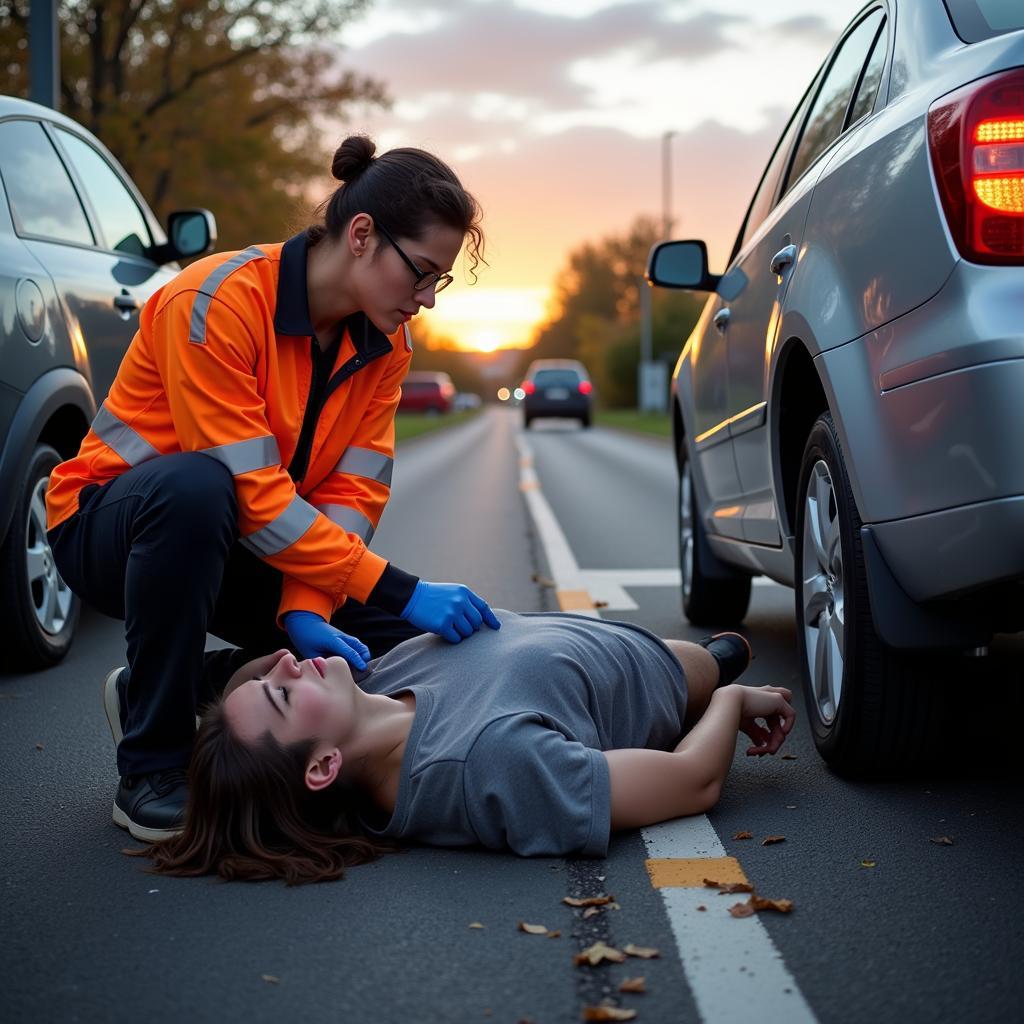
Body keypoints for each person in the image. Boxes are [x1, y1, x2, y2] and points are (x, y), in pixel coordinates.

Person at [45, 135, 500, 843]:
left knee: (416, 647)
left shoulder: (386, 346)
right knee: (197, 489)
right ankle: (151, 766)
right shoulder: (215, 301)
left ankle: (185, 682)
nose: (427, 299)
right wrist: (401, 587)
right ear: (360, 236)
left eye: (439, 282)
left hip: (241, 543)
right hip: (115, 526)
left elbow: (353, 493)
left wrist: (306, 606)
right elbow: (248, 492)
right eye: (421, 273)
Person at [127, 614, 796, 884]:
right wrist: (729, 705)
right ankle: (724, 663)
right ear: (323, 765)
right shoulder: (485, 765)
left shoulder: (371, 681)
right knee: (720, 658)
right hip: (657, 673)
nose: (283, 662)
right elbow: (690, 780)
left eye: (268, 675)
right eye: (278, 694)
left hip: (561, 634)